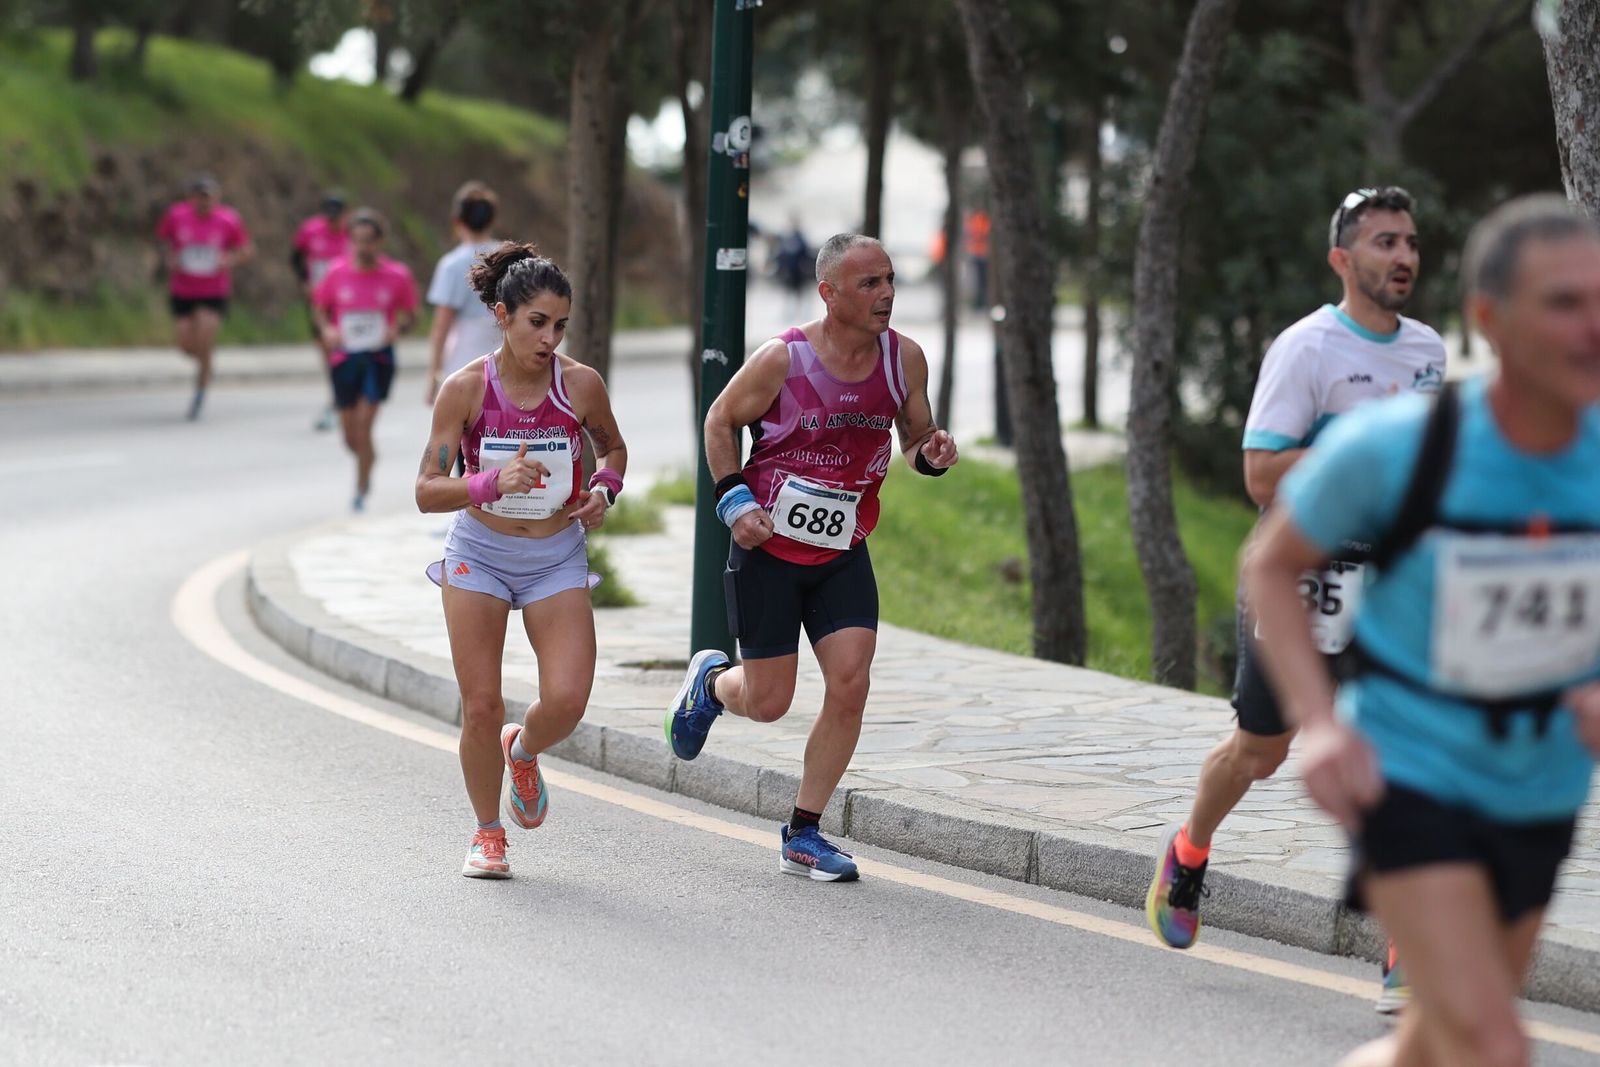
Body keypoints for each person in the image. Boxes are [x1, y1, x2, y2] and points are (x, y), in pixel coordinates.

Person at [1243, 194, 1600, 1067]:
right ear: (1492, 318)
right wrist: (1321, 724)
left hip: (1543, 784)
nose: (1591, 325)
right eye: (1563, 303)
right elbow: (1269, 563)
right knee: (1492, 1043)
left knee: (1435, 1043)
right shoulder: (1399, 446)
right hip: (1412, 769)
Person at [1146, 187, 1444, 1014]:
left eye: (1411, 241)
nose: (1404, 256)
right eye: (1385, 241)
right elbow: (1261, 476)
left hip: (1389, 583)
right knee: (1260, 750)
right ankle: (1188, 850)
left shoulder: (1427, 351)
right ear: (1342, 259)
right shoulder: (1306, 349)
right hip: (1299, 578)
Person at [666, 233, 959, 882]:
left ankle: (804, 831)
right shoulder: (783, 360)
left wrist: (929, 455)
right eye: (868, 284)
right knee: (768, 701)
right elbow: (720, 420)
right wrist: (734, 502)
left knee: (850, 682)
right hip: (769, 548)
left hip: (842, 548)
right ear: (829, 293)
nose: (885, 293)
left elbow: (913, 440)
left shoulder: (904, 359)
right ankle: (711, 682)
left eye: (889, 280)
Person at [414, 242, 627, 879]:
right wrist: (487, 483)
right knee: (481, 704)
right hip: (480, 552)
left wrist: (603, 491)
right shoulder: (466, 389)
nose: (549, 337)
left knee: (567, 698)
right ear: (503, 315)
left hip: (555, 555)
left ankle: (525, 748)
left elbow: (613, 450)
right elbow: (427, 490)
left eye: (560, 325)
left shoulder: (580, 385)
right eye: (537, 322)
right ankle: (487, 834)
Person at [310, 209, 419, 512]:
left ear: (380, 242)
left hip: (377, 359)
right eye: (357, 241)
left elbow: (412, 316)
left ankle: (360, 488)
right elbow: (319, 308)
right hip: (344, 358)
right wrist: (328, 329)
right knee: (349, 437)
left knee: (363, 427)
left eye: (369, 241)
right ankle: (367, 459)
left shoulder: (397, 276)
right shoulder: (336, 272)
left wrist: (397, 329)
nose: (362, 247)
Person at [155, 175, 252, 420]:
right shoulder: (177, 216)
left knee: (206, 330)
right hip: (183, 288)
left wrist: (229, 260)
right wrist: (168, 259)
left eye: (208, 198)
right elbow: (162, 240)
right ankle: (207, 363)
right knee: (186, 343)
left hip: (213, 289)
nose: (203, 202)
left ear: (216, 198)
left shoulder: (228, 220)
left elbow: (246, 249)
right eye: (199, 197)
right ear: (191, 198)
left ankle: (200, 389)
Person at [426, 181, 504, 407]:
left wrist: (434, 375)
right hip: (505, 351)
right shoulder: (508, 256)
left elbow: (442, 326)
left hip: (465, 355)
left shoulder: (452, 265)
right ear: (493, 219)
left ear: (457, 221)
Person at [291, 192, 350, 432]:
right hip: (319, 301)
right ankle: (337, 393)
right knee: (327, 350)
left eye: (337, 217)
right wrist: (305, 282)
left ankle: (338, 399)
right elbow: (295, 258)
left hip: (346, 304)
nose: (332, 222)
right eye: (329, 217)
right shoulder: (310, 231)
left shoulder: (353, 236)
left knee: (340, 351)